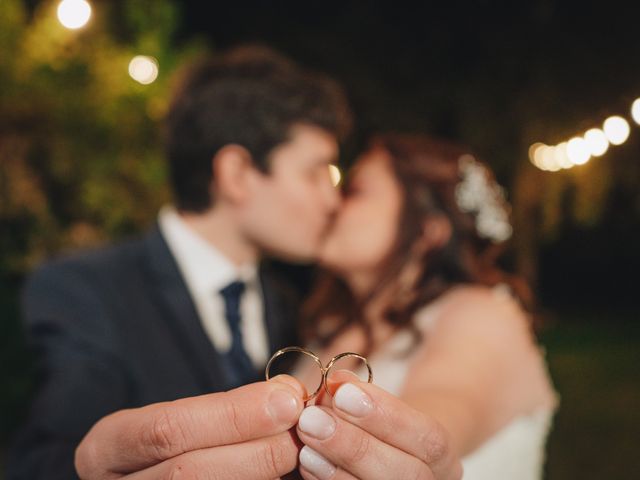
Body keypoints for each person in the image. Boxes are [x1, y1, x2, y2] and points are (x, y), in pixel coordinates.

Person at [8, 48, 464, 480]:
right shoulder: (84, 289)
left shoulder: (289, 305)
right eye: (315, 173)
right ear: (237, 174)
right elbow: (41, 456)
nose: (332, 201)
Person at [292, 133, 560, 479]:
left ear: (426, 232)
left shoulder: (481, 314)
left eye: (353, 190)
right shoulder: (331, 324)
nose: (330, 203)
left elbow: (442, 415)